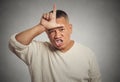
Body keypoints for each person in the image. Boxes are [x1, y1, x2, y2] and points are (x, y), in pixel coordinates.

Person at [9, 4, 101, 82]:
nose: (57, 35)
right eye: (52, 31)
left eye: (61, 29)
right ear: (47, 33)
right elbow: (15, 43)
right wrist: (41, 26)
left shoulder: (87, 54)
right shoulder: (37, 51)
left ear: (70, 28)